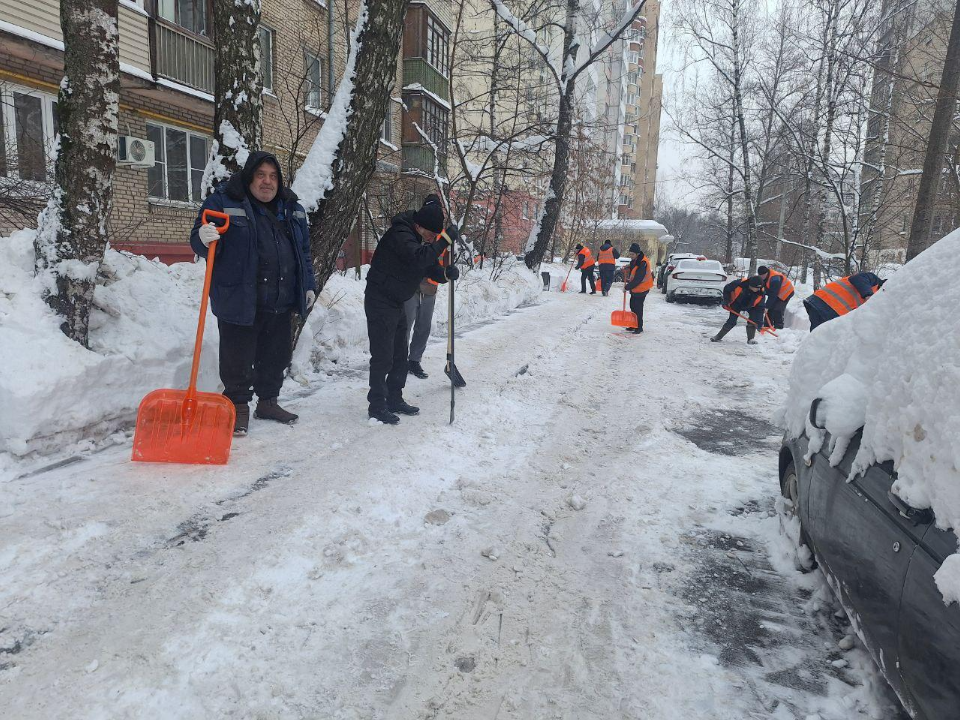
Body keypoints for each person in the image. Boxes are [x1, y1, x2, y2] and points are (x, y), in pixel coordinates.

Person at [190, 151, 316, 436]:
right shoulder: (222, 202)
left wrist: (308, 284)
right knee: (237, 358)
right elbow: (200, 241)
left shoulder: (292, 208)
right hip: (240, 299)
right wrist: (201, 237)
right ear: (249, 178)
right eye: (261, 175)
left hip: (280, 299)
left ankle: (268, 402)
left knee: (277, 356)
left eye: (272, 176)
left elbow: (303, 252)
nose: (267, 182)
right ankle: (238, 408)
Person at [364, 197, 458, 425]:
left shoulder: (418, 239)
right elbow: (418, 259)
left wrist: (446, 274)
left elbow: (429, 266)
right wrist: (445, 240)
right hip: (380, 300)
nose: (432, 238)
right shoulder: (401, 235)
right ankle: (377, 405)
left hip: (396, 302)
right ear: (419, 225)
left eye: (436, 235)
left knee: (399, 356)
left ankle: (394, 398)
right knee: (383, 357)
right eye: (431, 234)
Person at [405, 194, 448, 381]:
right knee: (405, 325)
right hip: (411, 285)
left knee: (424, 326)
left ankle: (414, 360)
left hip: (430, 286)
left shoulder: (442, 234)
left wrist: (447, 272)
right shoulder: (416, 228)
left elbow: (443, 259)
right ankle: (398, 360)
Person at [803, 272, 883, 331]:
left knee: (818, 341)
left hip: (828, 308)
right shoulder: (873, 280)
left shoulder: (878, 299)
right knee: (819, 342)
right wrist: (868, 296)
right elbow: (856, 279)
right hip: (825, 303)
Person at [712, 275, 766, 345]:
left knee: (753, 321)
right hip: (737, 304)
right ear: (750, 285)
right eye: (756, 288)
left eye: (759, 288)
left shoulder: (761, 292)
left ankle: (750, 339)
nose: (757, 290)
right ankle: (718, 337)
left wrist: (759, 322)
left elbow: (760, 308)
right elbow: (727, 289)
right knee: (731, 321)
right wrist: (726, 301)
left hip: (752, 306)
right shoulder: (739, 283)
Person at [623, 243, 653, 333]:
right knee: (632, 305)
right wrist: (628, 267)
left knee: (638, 308)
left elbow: (638, 279)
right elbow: (633, 268)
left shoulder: (643, 262)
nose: (630, 256)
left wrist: (627, 287)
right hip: (636, 288)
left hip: (642, 288)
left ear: (637, 254)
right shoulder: (635, 260)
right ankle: (633, 324)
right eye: (630, 254)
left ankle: (639, 327)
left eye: (632, 254)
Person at [757, 265, 795, 330]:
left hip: (786, 292)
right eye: (760, 276)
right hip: (776, 292)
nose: (762, 277)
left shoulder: (775, 279)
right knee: (770, 310)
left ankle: (779, 327)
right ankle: (767, 326)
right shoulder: (763, 277)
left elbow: (773, 295)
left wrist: (767, 307)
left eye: (763, 275)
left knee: (778, 309)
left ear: (767, 273)